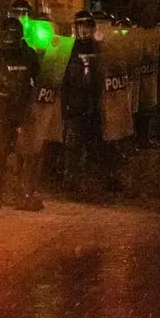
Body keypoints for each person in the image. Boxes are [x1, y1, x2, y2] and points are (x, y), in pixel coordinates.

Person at [0, 16, 41, 209]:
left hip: (22, 109)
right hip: (0, 110)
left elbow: (38, 79)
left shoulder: (28, 54)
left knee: (27, 153)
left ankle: (24, 193)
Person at [62, 11, 104, 195]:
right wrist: (65, 105)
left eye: (87, 27)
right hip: (75, 104)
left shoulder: (100, 49)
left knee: (94, 142)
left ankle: (94, 179)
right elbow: (61, 79)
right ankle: (71, 179)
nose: (84, 31)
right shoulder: (68, 49)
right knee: (74, 144)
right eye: (80, 27)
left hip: (95, 103)